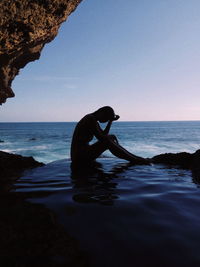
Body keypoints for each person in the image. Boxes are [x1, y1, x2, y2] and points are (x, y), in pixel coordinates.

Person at [70, 106, 149, 166]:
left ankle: (135, 158)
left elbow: (103, 135)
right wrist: (110, 138)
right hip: (79, 156)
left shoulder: (93, 120)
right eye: (106, 118)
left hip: (82, 154)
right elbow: (102, 138)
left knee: (109, 139)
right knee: (107, 141)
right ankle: (135, 159)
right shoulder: (90, 119)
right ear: (101, 113)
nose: (105, 120)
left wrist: (110, 122)